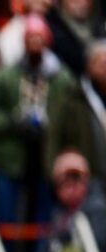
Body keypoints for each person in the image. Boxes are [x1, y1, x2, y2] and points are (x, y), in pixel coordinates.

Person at [0, 14, 73, 224]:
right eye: (31, 38)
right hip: (11, 157)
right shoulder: (5, 75)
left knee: (43, 218)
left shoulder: (61, 78)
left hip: (47, 157)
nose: (35, 43)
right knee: (6, 216)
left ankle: (41, 246)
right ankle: (6, 245)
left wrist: (56, 131)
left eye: (39, 37)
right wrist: (11, 123)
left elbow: (73, 118)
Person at [47, 41, 106, 188]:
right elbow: (54, 134)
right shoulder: (72, 96)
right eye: (102, 64)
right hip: (85, 178)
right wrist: (52, 170)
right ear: (89, 66)